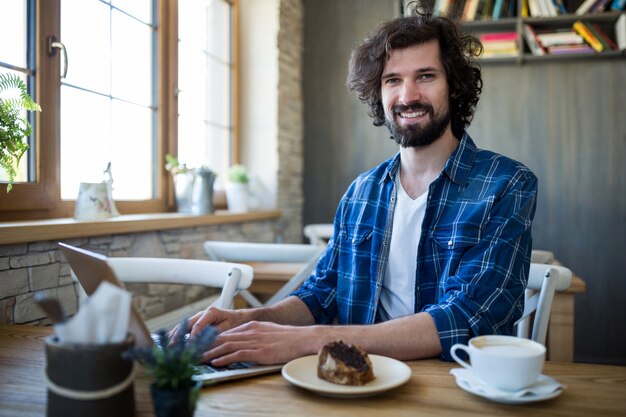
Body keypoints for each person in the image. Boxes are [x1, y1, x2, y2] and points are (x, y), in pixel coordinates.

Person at [182, 12, 537, 366]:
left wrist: (313, 340)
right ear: (377, 93)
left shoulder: (507, 184)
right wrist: (249, 319)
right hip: (359, 380)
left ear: (454, 86)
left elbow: (465, 319)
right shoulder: (361, 192)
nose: (407, 95)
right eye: (392, 80)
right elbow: (322, 293)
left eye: (426, 76)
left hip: (454, 384)